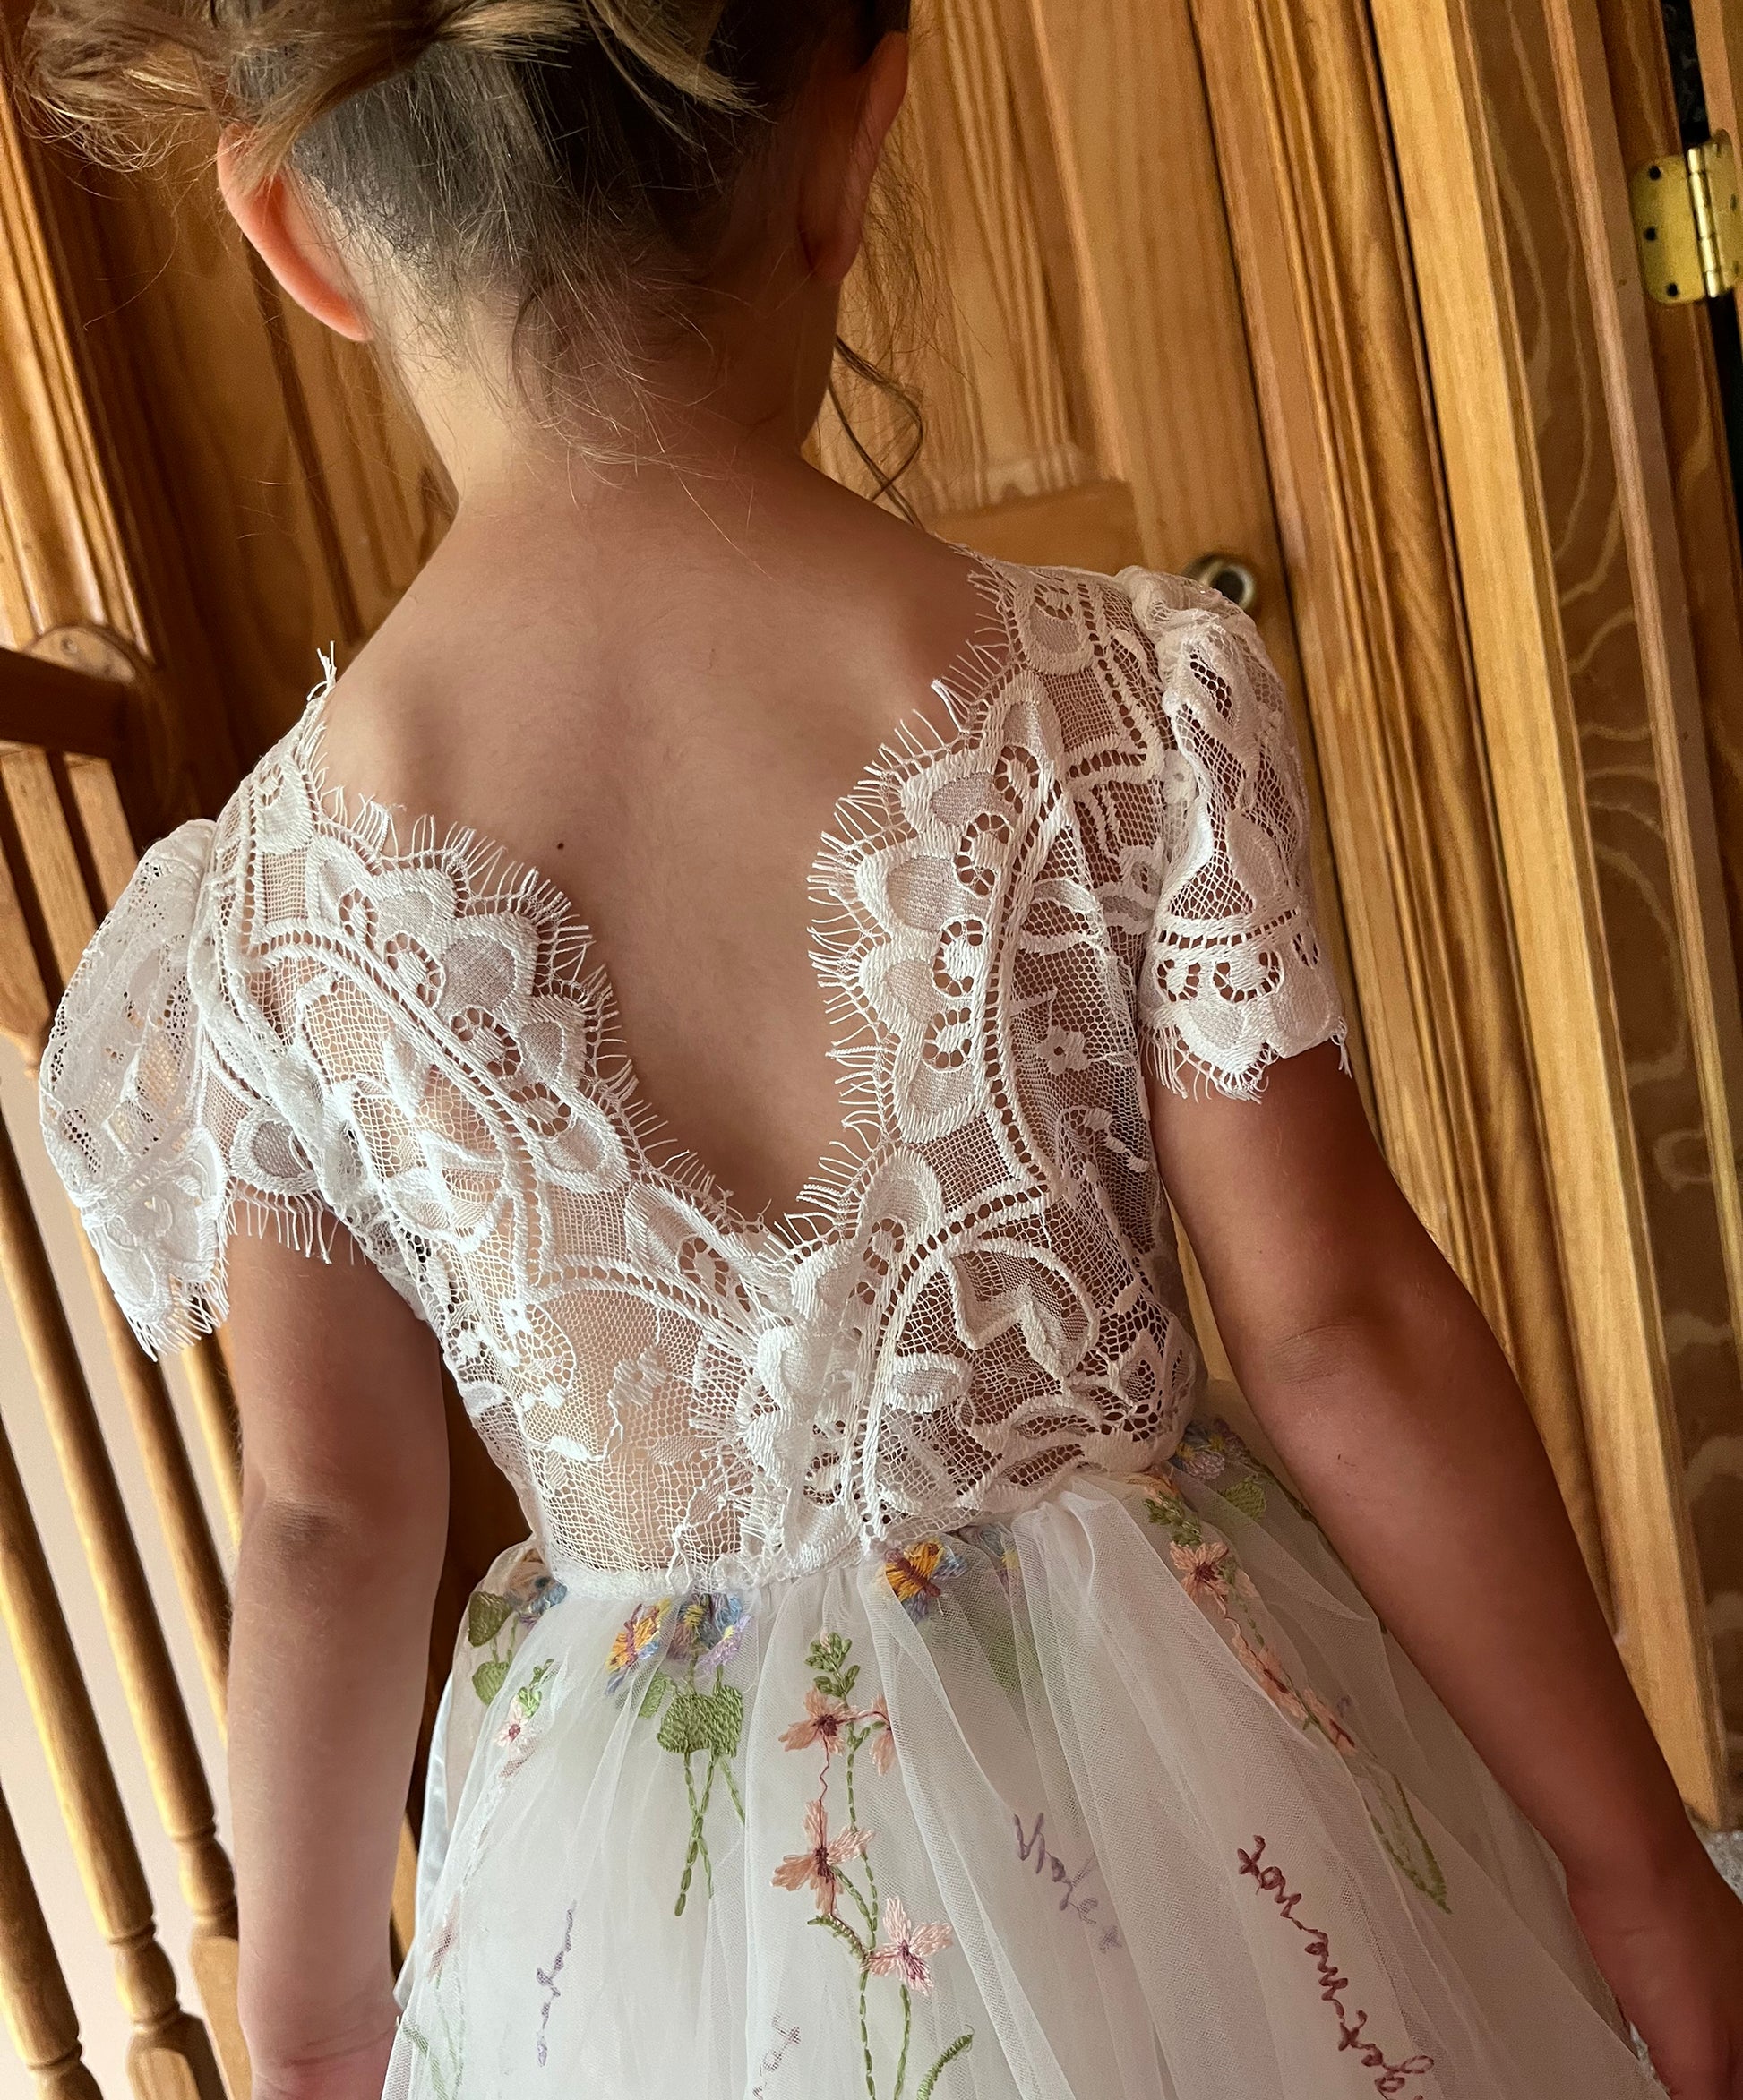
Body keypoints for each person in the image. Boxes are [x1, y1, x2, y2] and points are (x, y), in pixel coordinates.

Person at [27, 4, 1743, 2096]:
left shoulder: (266, 910)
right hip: (1188, 1798)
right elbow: (1336, 1333)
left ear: (294, 232)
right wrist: (1636, 1864)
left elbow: (326, 1518)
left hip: (650, 1905)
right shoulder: (1122, 701)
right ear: (851, 137)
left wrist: (308, 2032)